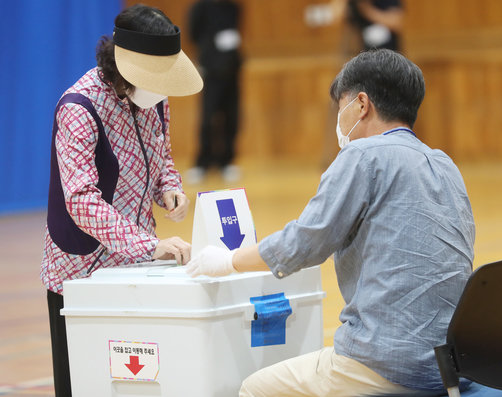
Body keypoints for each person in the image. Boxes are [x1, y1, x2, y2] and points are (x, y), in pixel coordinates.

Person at [185, 49, 475, 396]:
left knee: (252, 388)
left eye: (341, 108)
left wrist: (227, 261)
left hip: (385, 364)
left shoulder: (362, 155)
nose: (339, 121)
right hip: (452, 365)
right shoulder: (445, 164)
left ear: (362, 104)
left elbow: (303, 244)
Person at [40, 5, 202, 396]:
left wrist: (170, 188)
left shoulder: (155, 101)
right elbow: (81, 200)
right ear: (124, 68)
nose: (163, 90)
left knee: (136, 379)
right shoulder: (79, 108)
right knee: (83, 381)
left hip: (137, 265)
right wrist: (151, 244)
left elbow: (161, 155)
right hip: (81, 270)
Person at [185, 0, 243, 184]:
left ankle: (226, 161)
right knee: (208, 117)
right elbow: (193, 35)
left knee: (231, 116)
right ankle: (203, 163)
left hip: (231, 68)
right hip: (210, 69)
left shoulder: (233, 7)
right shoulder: (200, 8)